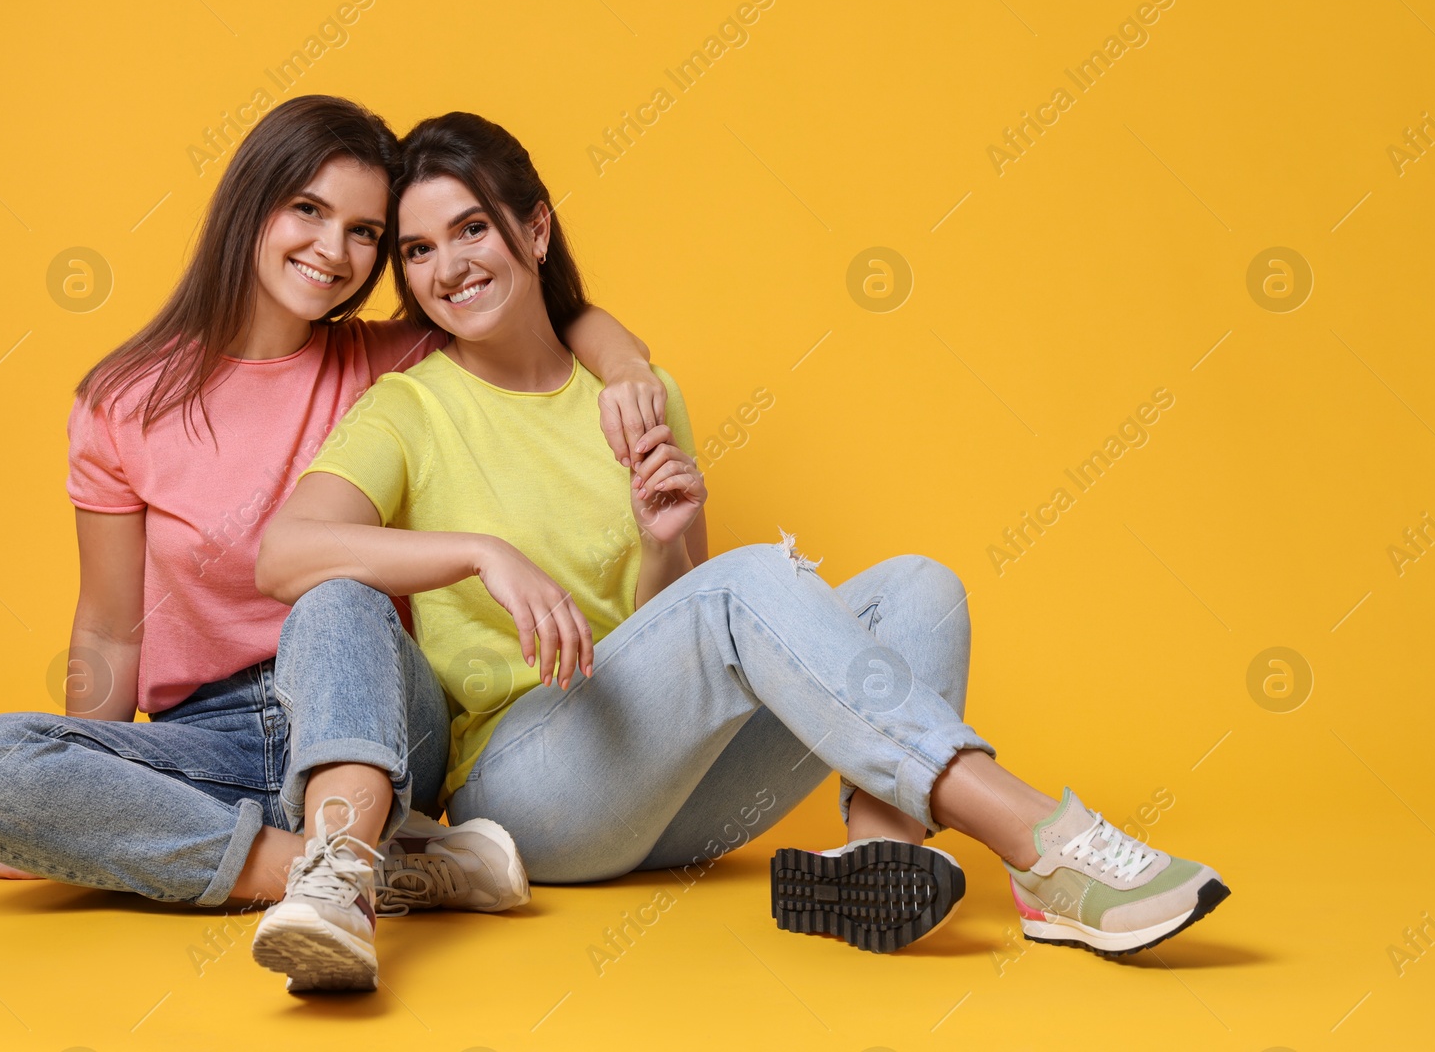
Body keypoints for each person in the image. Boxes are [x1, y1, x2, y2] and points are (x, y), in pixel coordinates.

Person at [256, 111, 1230, 979]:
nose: (448, 266)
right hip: (528, 797)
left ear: (536, 229)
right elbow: (285, 553)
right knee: (748, 583)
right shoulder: (411, 407)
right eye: (419, 249)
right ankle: (1041, 841)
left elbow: (669, 643)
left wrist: (661, 542)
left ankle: (876, 857)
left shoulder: (638, 397)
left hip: (675, 808)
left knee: (920, 589)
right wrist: (477, 552)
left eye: (472, 228)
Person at [0, 95, 667, 993]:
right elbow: (108, 633)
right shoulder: (121, 402)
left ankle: (338, 871)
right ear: (254, 201)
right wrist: (89, 801)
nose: (333, 250)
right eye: (309, 211)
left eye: (366, 232)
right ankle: (372, 870)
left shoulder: (384, 358)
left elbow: (553, 314)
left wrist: (631, 370)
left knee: (335, 590)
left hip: (381, 709)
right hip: (214, 740)